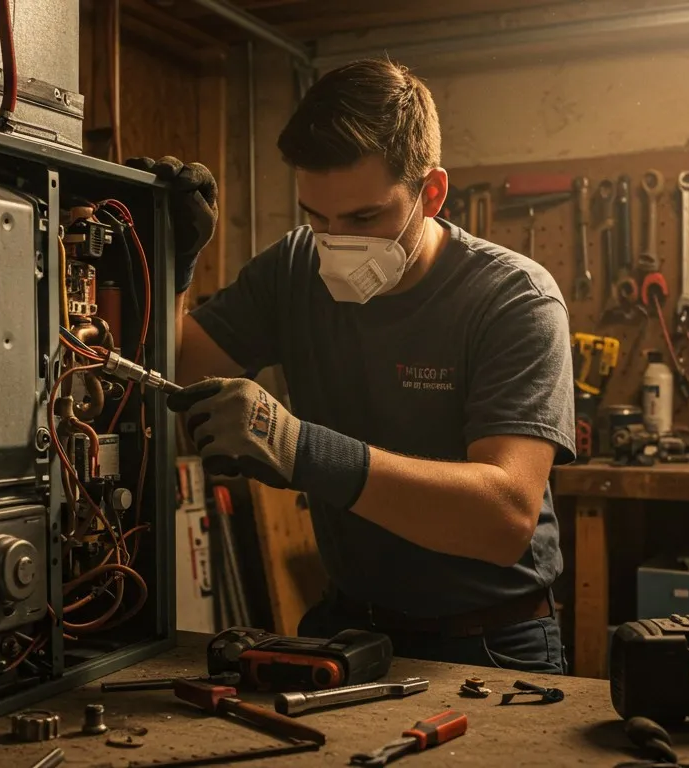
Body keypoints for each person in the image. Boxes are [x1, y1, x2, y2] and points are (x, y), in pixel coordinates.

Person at [125, 56, 575, 674]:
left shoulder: (513, 299)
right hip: (346, 629)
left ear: (432, 193)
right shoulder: (293, 268)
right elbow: (177, 366)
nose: (336, 241)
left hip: (489, 642)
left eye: (365, 218)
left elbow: (503, 520)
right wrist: (168, 263)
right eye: (317, 216)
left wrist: (298, 448)